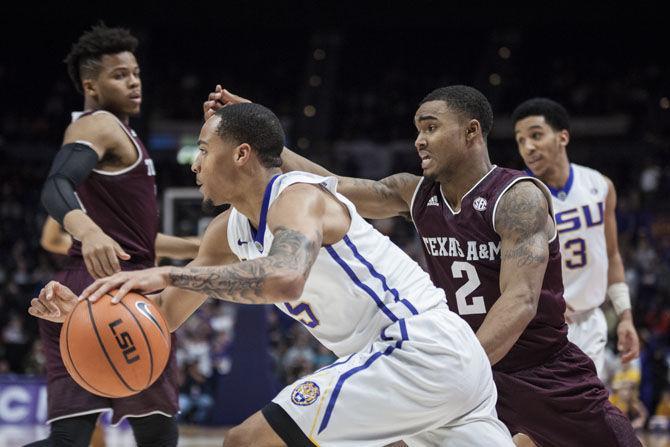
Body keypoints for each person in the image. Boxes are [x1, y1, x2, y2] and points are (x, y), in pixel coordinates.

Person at [30, 102, 515, 446]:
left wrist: (173, 274)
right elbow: (164, 317)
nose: (194, 163)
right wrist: (85, 316)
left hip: (417, 347)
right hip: (427, 363)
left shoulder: (298, 197)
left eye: (202, 149)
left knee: (248, 442)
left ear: (241, 154)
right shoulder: (225, 232)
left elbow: (285, 277)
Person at [202, 85, 641, 446]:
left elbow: (522, 300)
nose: (419, 139)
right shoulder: (416, 193)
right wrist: (269, 143)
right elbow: (331, 187)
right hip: (456, 364)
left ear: (471, 132)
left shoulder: (517, 197)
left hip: (538, 366)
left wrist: (465, 362)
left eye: (431, 127)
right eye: (417, 129)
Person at [32, 24, 198, 447]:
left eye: (136, 72)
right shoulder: (99, 125)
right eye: (119, 74)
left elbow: (135, 238)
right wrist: (87, 232)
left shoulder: (123, 136)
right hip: (113, 292)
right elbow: (55, 185)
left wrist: (197, 248)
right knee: (157, 434)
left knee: (71, 439)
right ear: (91, 85)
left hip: (107, 282)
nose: (134, 81)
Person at [511, 97, 640, 379]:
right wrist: (547, 300)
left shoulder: (600, 185)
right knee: (543, 419)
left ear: (562, 137)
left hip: (590, 320)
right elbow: (505, 269)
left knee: (582, 415)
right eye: (520, 141)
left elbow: (612, 254)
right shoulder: (519, 197)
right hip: (542, 325)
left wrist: (625, 317)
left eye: (535, 135)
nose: (528, 147)